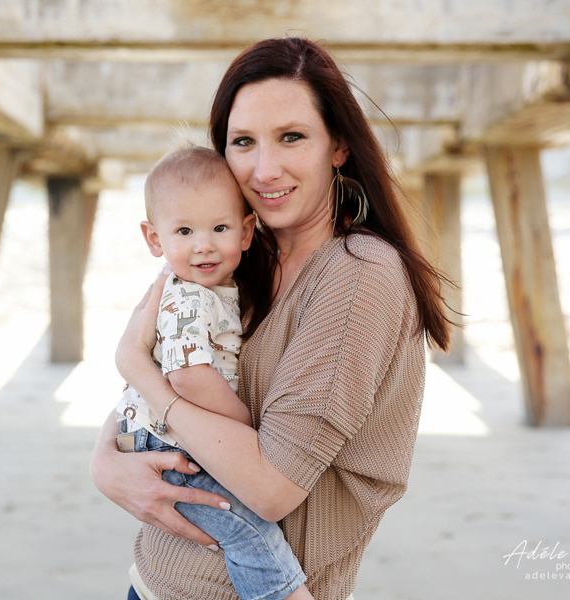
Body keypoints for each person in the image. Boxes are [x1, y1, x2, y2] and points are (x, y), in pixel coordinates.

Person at [91, 37, 453, 600]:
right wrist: (103, 461)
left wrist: (136, 369)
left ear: (338, 145)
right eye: (243, 142)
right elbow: (152, 386)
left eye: (291, 137)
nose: (263, 169)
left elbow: (271, 488)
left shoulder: (357, 276)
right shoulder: (236, 261)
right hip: (157, 580)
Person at [113, 145, 314, 600]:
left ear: (246, 232)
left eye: (219, 228)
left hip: (171, 433)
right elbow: (189, 376)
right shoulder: (188, 297)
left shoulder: (214, 290)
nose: (203, 244)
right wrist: (245, 425)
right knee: (248, 530)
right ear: (154, 239)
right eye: (184, 231)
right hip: (169, 444)